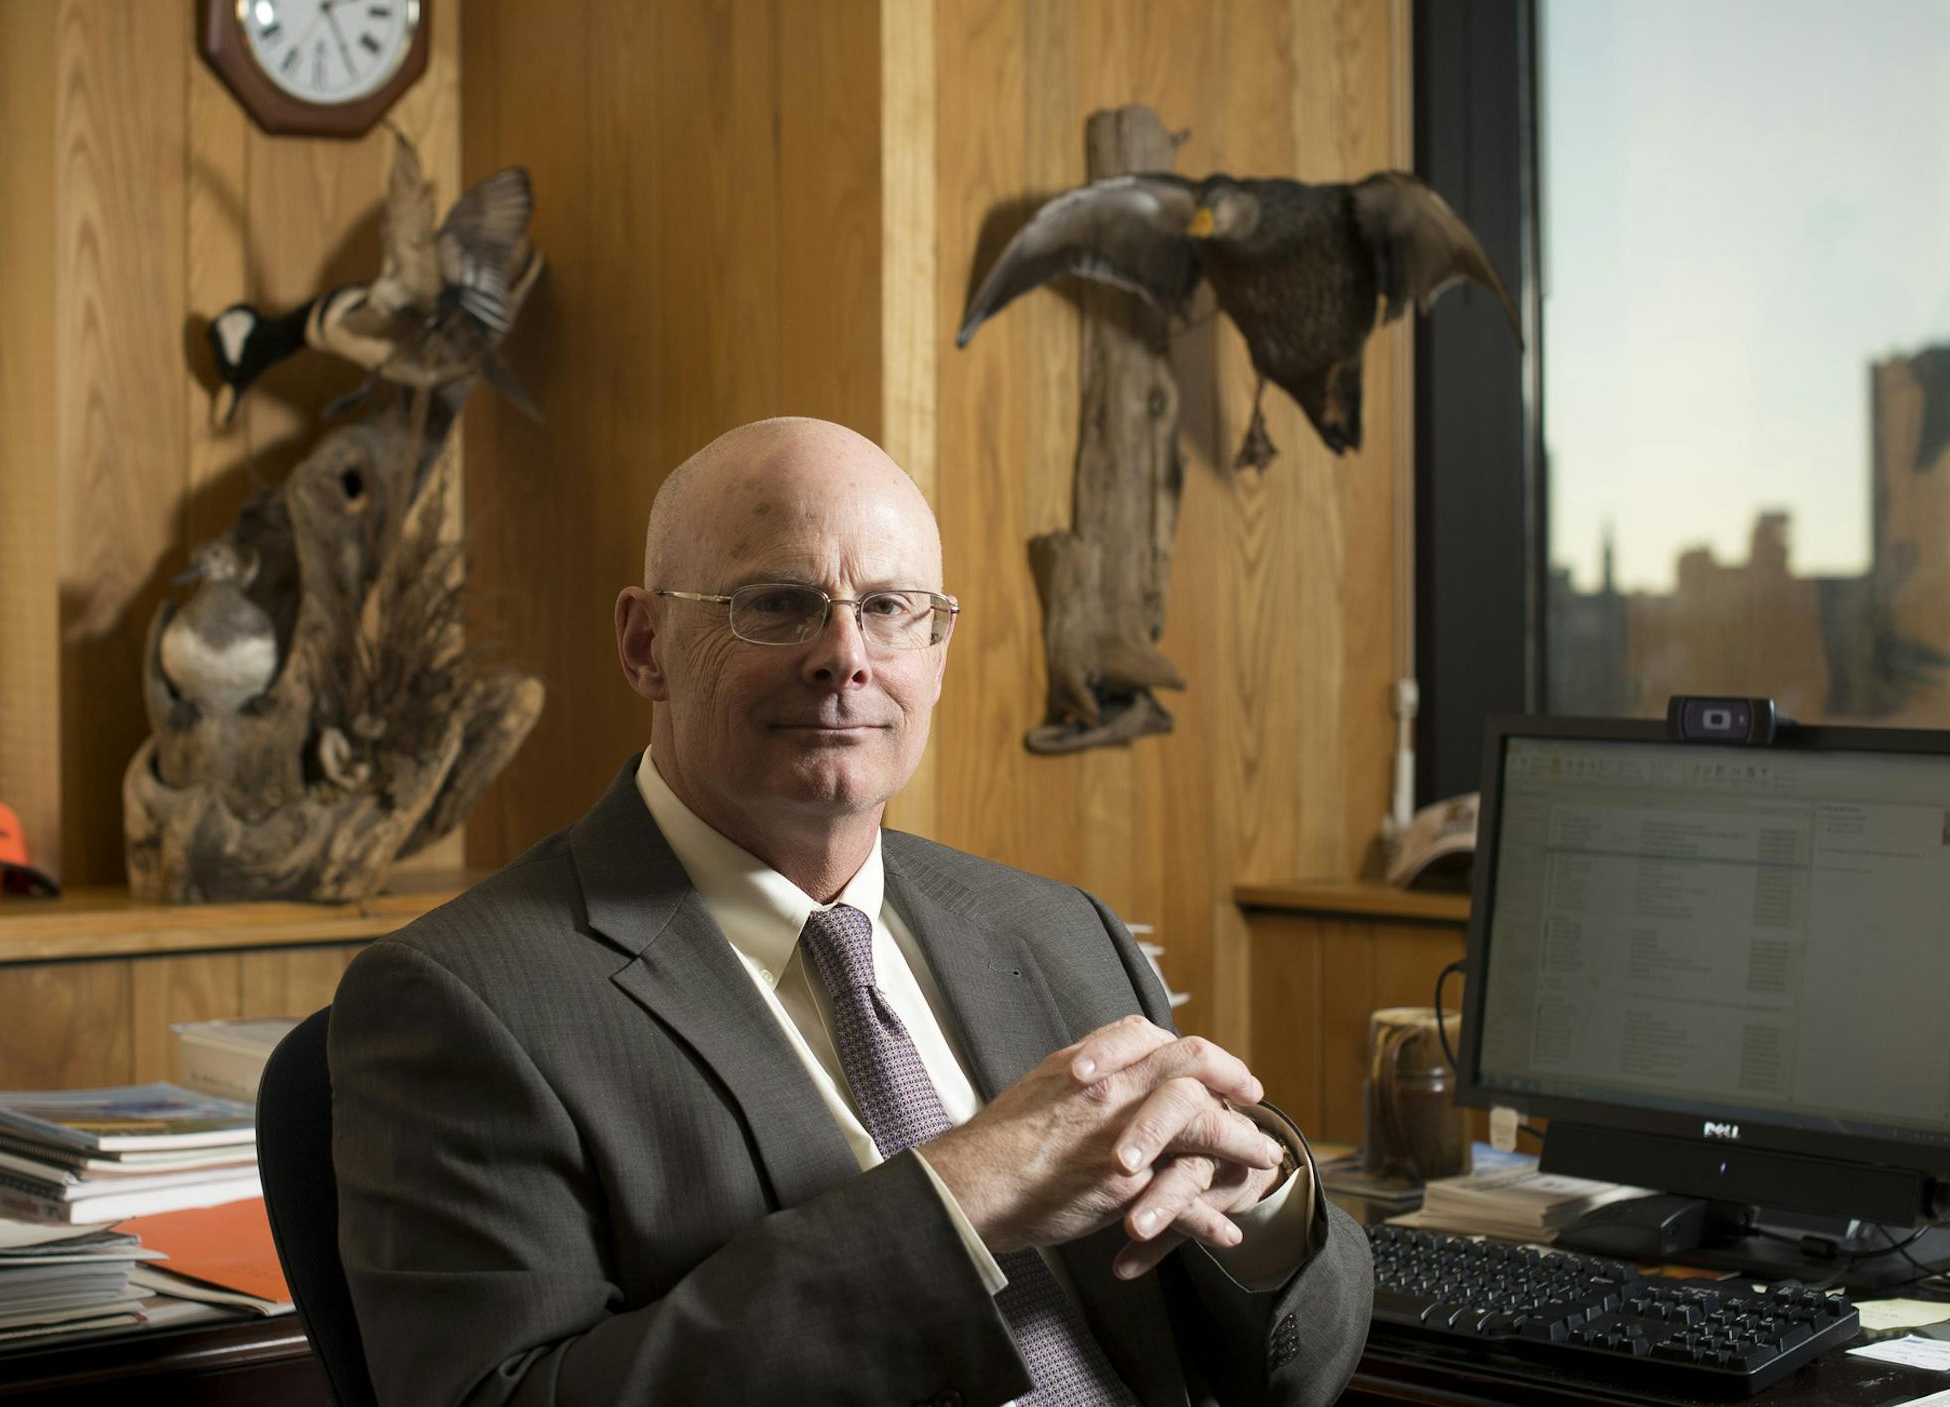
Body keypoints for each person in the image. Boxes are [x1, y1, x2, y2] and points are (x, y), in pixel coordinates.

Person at [330, 417, 1372, 1407]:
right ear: (646, 643)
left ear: (938, 649)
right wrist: (957, 1196)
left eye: (889, 606)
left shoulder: (1061, 932)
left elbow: (1295, 1375)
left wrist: (1265, 1199)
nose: (846, 654)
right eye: (778, 602)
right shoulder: (460, 1000)